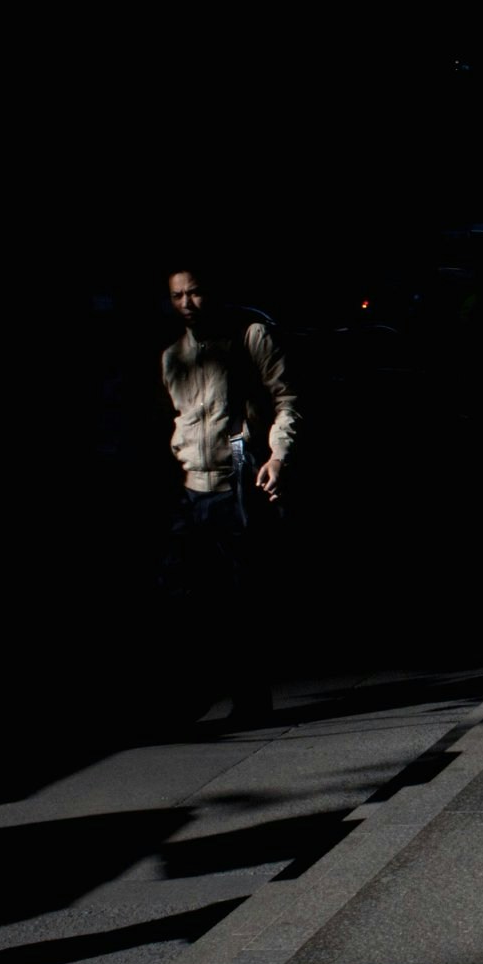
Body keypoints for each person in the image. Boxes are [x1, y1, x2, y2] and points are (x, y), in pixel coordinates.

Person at [158, 261, 299, 721]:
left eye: (194, 293)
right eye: (177, 296)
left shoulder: (250, 336)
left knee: (242, 597)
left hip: (235, 484)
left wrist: (278, 455)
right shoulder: (172, 354)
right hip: (189, 487)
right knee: (191, 599)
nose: (186, 304)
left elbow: (286, 399)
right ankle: (195, 694)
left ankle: (250, 699)